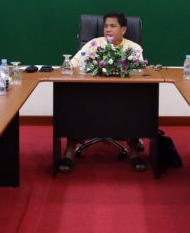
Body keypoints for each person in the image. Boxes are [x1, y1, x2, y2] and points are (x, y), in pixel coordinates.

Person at [61, 11, 146, 174]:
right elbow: (72, 64)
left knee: (136, 103)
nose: (108, 29)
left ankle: (134, 151)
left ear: (123, 30)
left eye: (113, 26)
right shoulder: (94, 44)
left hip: (123, 97)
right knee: (72, 103)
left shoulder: (133, 48)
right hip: (92, 95)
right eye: (106, 26)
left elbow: (140, 71)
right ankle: (69, 151)